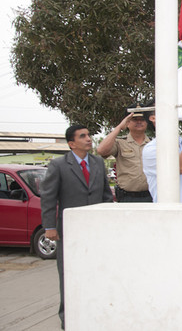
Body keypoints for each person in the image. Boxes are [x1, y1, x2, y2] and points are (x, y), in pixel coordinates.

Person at [41, 125, 114, 330]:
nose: (89, 139)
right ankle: (68, 317)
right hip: (68, 232)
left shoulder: (99, 163)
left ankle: (95, 312)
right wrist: (49, 226)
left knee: (96, 272)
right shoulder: (58, 165)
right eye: (83, 136)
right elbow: (48, 197)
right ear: (71, 143)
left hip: (96, 231)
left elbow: (106, 196)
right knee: (68, 274)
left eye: (89, 135)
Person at [97, 106, 152, 202]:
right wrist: (119, 127)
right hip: (128, 197)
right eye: (134, 119)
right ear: (127, 123)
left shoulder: (153, 144)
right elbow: (101, 150)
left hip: (151, 195)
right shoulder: (120, 142)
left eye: (142, 119)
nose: (139, 122)